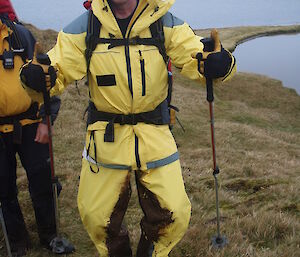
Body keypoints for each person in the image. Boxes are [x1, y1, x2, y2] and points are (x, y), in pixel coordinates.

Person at [21, 0, 236, 256]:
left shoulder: (163, 21)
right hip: (105, 136)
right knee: (97, 217)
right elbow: (56, 68)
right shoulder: (84, 27)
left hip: (154, 132)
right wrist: (35, 77)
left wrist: (220, 65)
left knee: (174, 213)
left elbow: (196, 56)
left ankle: (151, 252)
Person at [0, 0, 74, 256]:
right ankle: (17, 242)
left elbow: (45, 78)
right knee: (3, 188)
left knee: (43, 181)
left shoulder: (19, 35)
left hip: (31, 123)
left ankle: (50, 236)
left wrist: (45, 120)